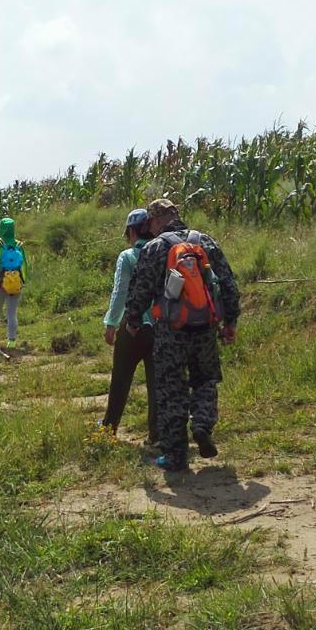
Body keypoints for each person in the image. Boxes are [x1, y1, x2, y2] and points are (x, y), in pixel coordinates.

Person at [122, 198, 240, 471]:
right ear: (177, 215)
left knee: (171, 387)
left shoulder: (155, 247)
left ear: (154, 221)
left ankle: (175, 455)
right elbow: (228, 283)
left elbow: (140, 288)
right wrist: (230, 321)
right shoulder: (205, 242)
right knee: (205, 379)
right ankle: (202, 424)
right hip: (205, 329)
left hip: (170, 331)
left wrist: (133, 320)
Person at [100, 208, 157, 443]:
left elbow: (120, 292)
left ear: (131, 231)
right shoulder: (163, 252)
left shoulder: (127, 257)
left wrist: (111, 323)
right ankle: (157, 434)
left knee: (121, 380)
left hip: (132, 326)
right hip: (159, 327)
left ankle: (108, 430)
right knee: (156, 383)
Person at [0, 217, 28, 347]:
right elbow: (25, 265)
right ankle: (11, 341)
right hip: (16, 282)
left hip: (0, 282)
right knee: (12, 312)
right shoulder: (19, 245)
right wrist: (22, 282)